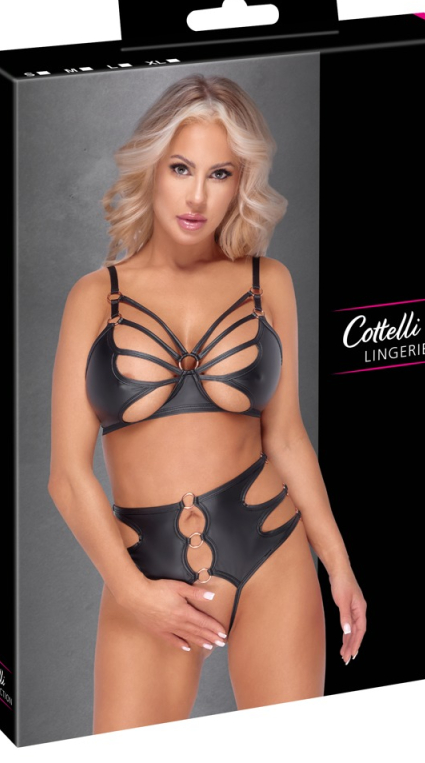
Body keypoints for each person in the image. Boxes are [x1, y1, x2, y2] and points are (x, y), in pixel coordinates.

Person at [48, 74, 367, 733]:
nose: (197, 196)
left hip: (271, 547)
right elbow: (67, 477)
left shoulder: (268, 282)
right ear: (152, 167)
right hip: (147, 565)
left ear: (240, 182)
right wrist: (135, 594)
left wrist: (339, 564)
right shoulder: (94, 297)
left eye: (219, 174)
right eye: (181, 168)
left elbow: (286, 436)